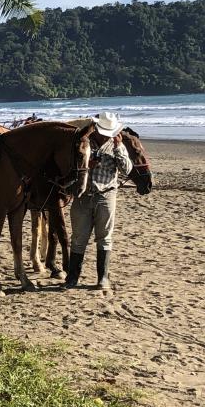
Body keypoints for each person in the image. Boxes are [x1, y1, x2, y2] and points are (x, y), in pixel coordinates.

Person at [64, 111, 132, 291]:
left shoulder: (117, 145)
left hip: (106, 194)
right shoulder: (83, 143)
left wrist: (118, 149)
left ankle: (103, 278)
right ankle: (72, 278)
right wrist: (88, 166)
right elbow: (71, 167)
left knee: (104, 237)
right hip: (83, 195)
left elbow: (126, 170)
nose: (105, 136)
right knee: (79, 237)